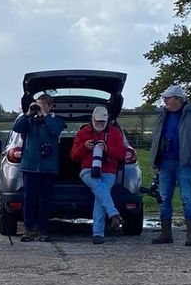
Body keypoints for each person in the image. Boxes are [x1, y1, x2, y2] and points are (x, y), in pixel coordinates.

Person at [149, 85, 191, 246]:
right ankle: (166, 233)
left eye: (167, 98)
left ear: (178, 99)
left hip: (185, 163)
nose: (164, 101)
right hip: (165, 162)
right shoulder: (162, 115)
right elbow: (157, 137)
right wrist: (156, 161)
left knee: (187, 198)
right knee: (164, 198)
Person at [12, 94, 65, 242]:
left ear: (50, 106)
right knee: (29, 199)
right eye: (37, 105)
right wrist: (29, 112)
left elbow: (55, 130)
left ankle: (43, 230)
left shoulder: (55, 120)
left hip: (48, 167)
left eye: (42, 105)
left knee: (45, 200)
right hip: (30, 166)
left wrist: (45, 114)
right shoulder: (29, 121)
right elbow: (16, 128)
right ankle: (28, 229)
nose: (38, 108)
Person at [70, 106, 126, 244]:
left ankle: (98, 234)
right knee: (100, 189)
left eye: (102, 122)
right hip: (88, 170)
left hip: (108, 170)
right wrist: (84, 147)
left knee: (99, 195)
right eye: (98, 121)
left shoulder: (115, 132)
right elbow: (74, 156)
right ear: (93, 119)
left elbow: (123, 154)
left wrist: (107, 148)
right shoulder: (83, 133)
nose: (100, 124)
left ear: (107, 120)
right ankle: (113, 215)